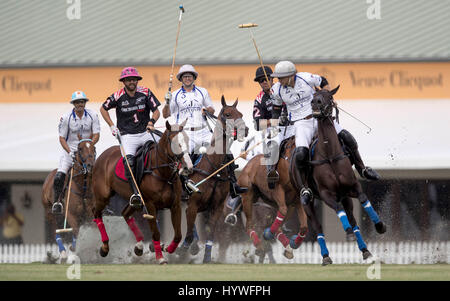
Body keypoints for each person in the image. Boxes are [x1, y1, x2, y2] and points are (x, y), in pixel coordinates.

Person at [269, 61, 380, 204]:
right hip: (301, 123)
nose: (279, 80)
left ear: (291, 76)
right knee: (301, 153)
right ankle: (305, 188)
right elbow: (276, 109)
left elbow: (324, 81)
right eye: (278, 78)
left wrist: (329, 97)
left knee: (347, 137)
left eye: (282, 77)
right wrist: (276, 121)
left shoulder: (306, 78)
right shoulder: (277, 89)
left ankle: (363, 169)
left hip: (319, 117)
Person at [162, 64, 246, 198]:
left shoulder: (202, 91)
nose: (188, 78)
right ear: (181, 79)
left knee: (225, 153)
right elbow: (165, 115)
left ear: (194, 77)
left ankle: (233, 185)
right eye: (185, 76)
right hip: (186, 132)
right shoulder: (175, 95)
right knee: (184, 159)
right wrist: (167, 102)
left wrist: (207, 110)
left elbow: (211, 108)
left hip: (203, 130)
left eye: (190, 76)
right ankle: (183, 188)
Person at [101, 67, 161, 208]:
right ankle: (135, 193)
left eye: (134, 79)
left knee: (166, 149)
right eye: (128, 80)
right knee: (129, 162)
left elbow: (156, 111)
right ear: (124, 82)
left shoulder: (145, 92)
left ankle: (179, 180)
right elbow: (103, 109)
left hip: (145, 132)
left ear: (137, 80)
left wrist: (152, 122)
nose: (132, 82)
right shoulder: (117, 96)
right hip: (128, 136)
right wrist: (111, 126)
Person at [52, 90, 100, 214]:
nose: (80, 104)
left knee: (99, 175)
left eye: (82, 102)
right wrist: (69, 152)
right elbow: (62, 138)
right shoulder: (66, 118)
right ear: (73, 104)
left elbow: (96, 135)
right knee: (59, 176)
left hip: (87, 151)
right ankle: (57, 202)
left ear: (85, 103)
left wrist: (89, 146)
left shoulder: (93, 115)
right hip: (71, 150)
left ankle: (102, 201)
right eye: (77, 102)